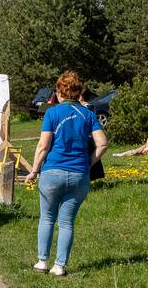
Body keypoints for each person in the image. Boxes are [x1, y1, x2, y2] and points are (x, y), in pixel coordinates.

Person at [23, 71, 107, 277]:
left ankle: (43, 261)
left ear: (59, 92)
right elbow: (103, 143)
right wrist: (88, 162)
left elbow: (43, 145)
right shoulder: (89, 114)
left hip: (52, 172)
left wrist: (34, 170)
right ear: (79, 92)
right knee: (67, 222)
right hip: (79, 174)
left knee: (47, 218)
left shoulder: (52, 113)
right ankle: (60, 266)